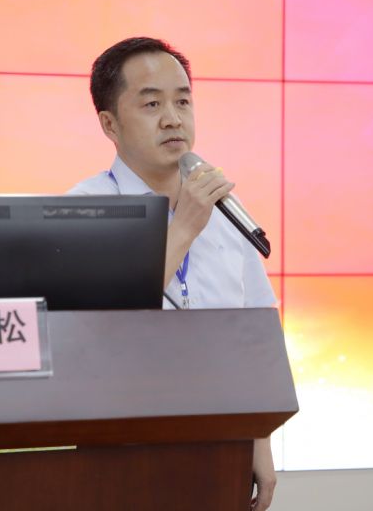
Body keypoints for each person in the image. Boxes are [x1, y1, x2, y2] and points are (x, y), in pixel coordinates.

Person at [68, 36, 279, 510]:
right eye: (151, 104)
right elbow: (97, 331)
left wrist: (259, 438)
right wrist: (182, 228)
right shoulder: (84, 209)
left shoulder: (223, 209)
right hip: (120, 448)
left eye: (183, 101)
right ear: (109, 123)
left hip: (221, 442)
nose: (173, 118)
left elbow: (257, 330)